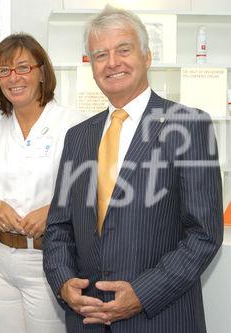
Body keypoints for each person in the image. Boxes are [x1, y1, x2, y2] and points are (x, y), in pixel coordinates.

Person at [43, 5, 223, 333]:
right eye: (100, 55)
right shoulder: (78, 137)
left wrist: (141, 294)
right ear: (92, 65)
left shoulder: (190, 125)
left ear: (147, 56)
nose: (112, 62)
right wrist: (63, 282)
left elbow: (203, 234)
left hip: (160, 318)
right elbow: (58, 227)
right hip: (88, 320)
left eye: (123, 50)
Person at [0, 33, 84, 333]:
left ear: (42, 72)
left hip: (49, 261)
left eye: (23, 67)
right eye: (4, 71)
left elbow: (93, 192)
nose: (13, 78)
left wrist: (54, 211)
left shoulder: (74, 125)